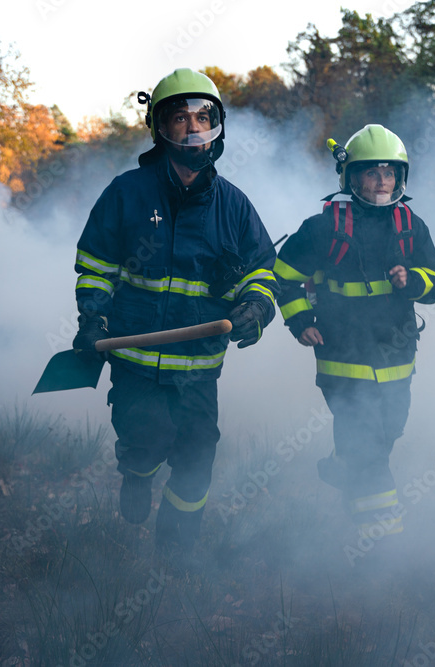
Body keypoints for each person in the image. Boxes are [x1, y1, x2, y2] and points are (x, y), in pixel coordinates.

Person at [72, 68, 277, 553]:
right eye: (179, 118)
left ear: (218, 124)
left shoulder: (234, 206)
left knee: (197, 457)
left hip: (199, 369)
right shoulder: (127, 193)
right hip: (135, 362)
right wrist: (93, 319)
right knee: (145, 442)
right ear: (159, 128)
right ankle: (136, 475)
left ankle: (176, 548)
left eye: (203, 117)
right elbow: (96, 267)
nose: (193, 128)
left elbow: (262, 270)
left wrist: (256, 306)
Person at [273, 124, 435, 540]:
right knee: (367, 444)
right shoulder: (323, 227)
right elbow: (282, 276)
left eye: (390, 172)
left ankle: (341, 465)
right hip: (342, 354)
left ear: (401, 177)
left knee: (388, 432)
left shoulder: (411, 224)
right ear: (351, 177)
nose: (382, 181)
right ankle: (380, 538)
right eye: (372, 172)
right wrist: (300, 321)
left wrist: (414, 281)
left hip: (396, 354)